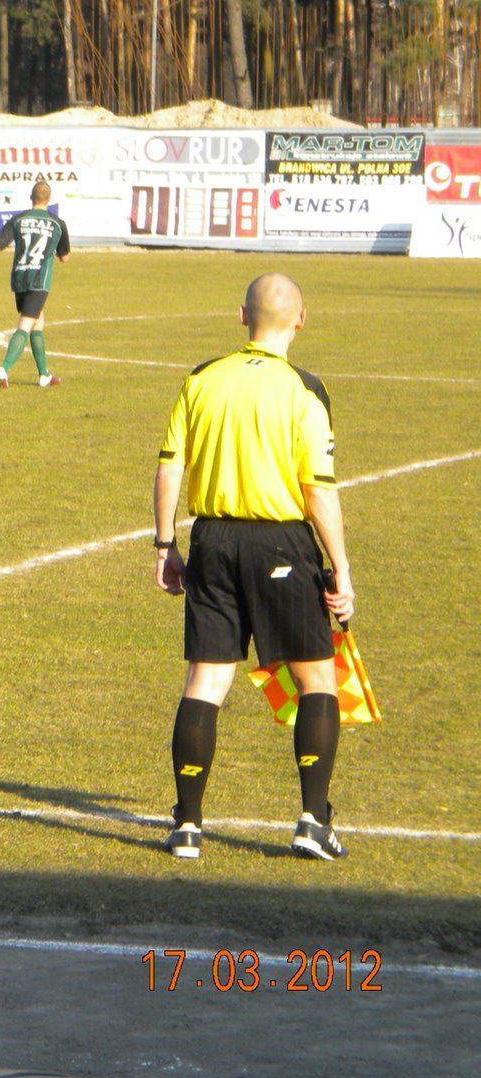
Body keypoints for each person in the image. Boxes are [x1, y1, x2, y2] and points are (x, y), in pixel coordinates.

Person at [153, 273, 356, 862]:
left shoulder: (202, 378)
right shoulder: (305, 389)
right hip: (281, 547)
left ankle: (187, 826)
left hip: (212, 540)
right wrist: (340, 566)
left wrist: (166, 545)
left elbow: (170, 467)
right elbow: (318, 490)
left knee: (207, 680)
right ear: (301, 318)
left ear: (242, 316)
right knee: (317, 678)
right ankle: (313, 822)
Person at [0, 180, 70, 389]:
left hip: (19, 279)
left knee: (37, 322)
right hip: (39, 281)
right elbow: (65, 257)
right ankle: (4, 368)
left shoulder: (18, 219)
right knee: (25, 324)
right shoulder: (57, 223)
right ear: (48, 200)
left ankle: (44, 374)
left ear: (31, 198)